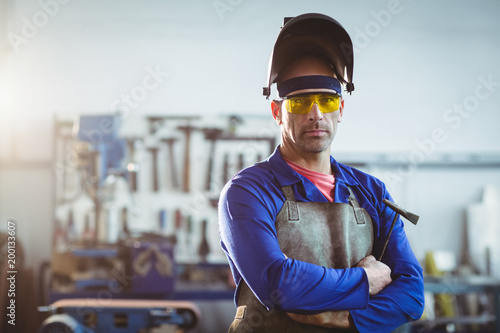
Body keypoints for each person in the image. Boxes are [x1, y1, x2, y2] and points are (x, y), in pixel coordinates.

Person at [218, 13, 424, 333]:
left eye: (326, 100)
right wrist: (365, 280)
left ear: (340, 109)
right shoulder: (247, 192)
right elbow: (278, 284)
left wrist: (347, 319)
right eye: (300, 102)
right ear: (277, 112)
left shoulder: (372, 191)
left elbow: (411, 294)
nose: (315, 114)